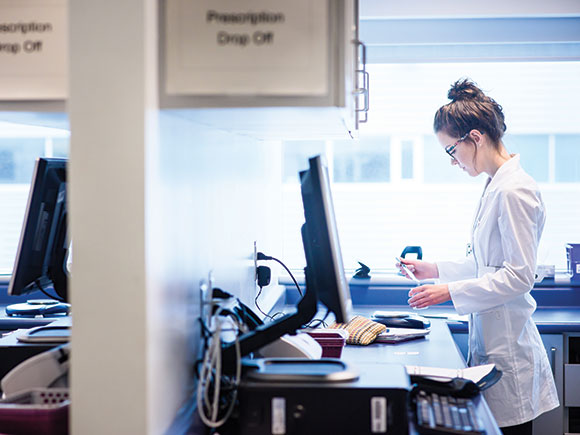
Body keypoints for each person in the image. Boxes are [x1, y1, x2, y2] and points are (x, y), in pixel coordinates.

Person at [400, 79, 559, 435]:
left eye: (451, 151)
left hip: (510, 355)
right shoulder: (496, 184)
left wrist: (450, 292)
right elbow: (488, 265)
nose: (453, 162)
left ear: (475, 137)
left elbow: (518, 276)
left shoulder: (514, 190)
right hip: (493, 345)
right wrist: (435, 270)